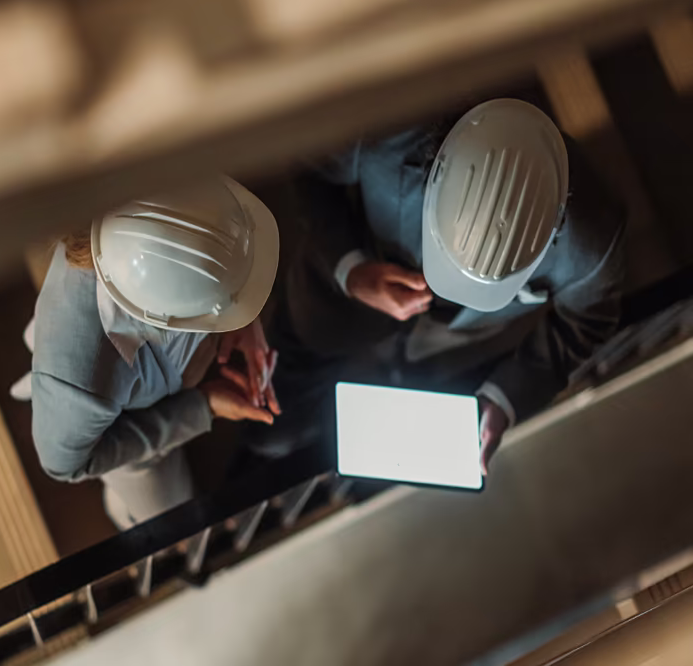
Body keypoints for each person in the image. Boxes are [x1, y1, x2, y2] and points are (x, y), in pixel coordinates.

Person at [262, 98, 625, 469]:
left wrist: (505, 398)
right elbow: (309, 171)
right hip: (338, 304)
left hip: (449, 338)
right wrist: (351, 270)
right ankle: (266, 445)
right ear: (435, 163)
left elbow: (587, 320)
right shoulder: (385, 124)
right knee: (276, 418)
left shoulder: (592, 242)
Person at [27, 176, 282, 529]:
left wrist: (241, 316)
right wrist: (202, 407)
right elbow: (65, 465)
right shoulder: (78, 384)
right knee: (177, 523)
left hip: (157, 379)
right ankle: (121, 505)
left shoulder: (178, 179)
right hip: (122, 425)